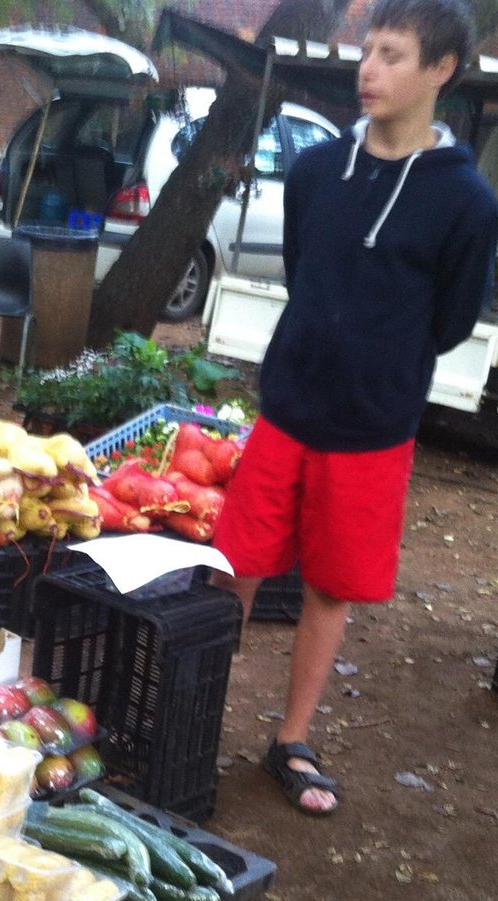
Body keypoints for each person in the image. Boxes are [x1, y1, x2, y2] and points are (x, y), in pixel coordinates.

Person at [213, 0, 498, 817]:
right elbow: (306, 271)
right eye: (367, 51)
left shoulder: (466, 203)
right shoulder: (316, 171)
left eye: (393, 55)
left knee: (330, 590)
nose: (367, 70)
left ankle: (290, 740)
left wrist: (377, 364)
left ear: (440, 72)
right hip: (288, 408)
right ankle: (191, 715)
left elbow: (449, 322)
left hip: (372, 429)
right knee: (237, 567)